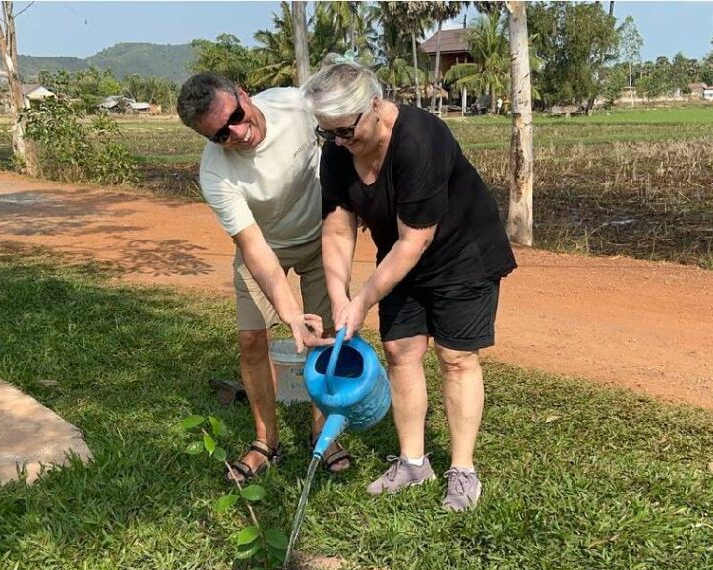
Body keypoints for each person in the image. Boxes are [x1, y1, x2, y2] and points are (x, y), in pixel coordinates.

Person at [301, 57, 516, 511]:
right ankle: (414, 462)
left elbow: (415, 240)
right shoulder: (338, 152)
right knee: (400, 351)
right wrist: (341, 295)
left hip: (462, 255)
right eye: (329, 133)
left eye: (346, 130)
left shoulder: (420, 138)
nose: (340, 141)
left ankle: (462, 470)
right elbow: (338, 230)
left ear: (375, 105)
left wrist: (363, 299)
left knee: (456, 357)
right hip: (398, 259)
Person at [177, 72, 348, 482]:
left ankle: (323, 431)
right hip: (264, 248)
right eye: (220, 134)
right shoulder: (215, 173)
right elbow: (254, 249)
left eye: (236, 115)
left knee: (325, 337)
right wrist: (288, 314)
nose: (236, 133)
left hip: (320, 240)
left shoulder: (296, 105)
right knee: (253, 339)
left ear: (243, 94)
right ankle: (265, 440)